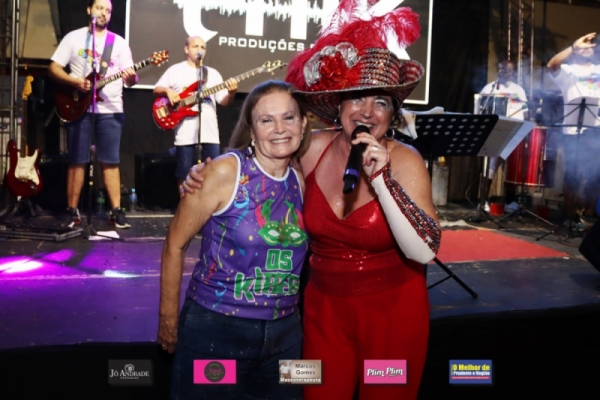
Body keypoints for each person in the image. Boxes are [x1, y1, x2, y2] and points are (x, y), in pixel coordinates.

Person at [184, 3, 441, 399]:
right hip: (322, 316)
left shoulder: (406, 161)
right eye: (356, 98)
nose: (367, 111)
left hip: (392, 319)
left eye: (381, 102)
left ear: (393, 115)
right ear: (338, 106)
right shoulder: (311, 148)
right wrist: (208, 174)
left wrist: (382, 181)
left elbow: (423, 252)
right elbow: (259, 159)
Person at [158, 80, 311, 399]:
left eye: (289, 117)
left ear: (303, 123)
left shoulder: (299, 178)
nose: (280, 128)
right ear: (252, 130)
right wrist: (168, 319)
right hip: (218, 332)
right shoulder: (224, 172)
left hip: (286, 336)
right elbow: (175, 244)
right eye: (266, 120)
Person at [49, 0, 137, 229]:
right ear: (89, 10)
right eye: (100, 8)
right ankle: (72, 211)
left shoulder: (118, 43)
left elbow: (131, 79)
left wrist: (131, 78)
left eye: (108, 10)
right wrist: (74, 82)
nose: (104, 13)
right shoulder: (73, 38)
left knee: (110, 161)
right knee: (77, 160)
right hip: (80, 107)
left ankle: (116, 211)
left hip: (111, 109)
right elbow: (54, 68)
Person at [153, 36, 238, 190]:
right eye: (195, 46)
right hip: (185, 135)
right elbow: (156, 89)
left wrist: (232, 93)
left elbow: (224, 101)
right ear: (186, 49)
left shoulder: (212, 73)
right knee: (184, 175)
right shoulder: (175, 70)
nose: (200, 50)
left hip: (210, 135)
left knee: (213, 175)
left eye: (203, 47)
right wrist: (168, 91)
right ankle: (185, 204)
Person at [547, 32, 600, 226]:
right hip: (573, 130)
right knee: (572, 175)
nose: (587, 48)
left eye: (591, 45)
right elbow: (552, 65)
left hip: (596, 127)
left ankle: (589, 214)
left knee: (596, 173)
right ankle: (570, 216)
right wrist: (574, 47)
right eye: (583, 46)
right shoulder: (568, 71)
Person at [479, 60, 529, 195]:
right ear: (499, 71)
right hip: (497, 132)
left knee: (513, 167)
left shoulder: (519, 90)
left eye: (512, 71)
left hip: (515, 132)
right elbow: (481, 111)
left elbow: (525, 112)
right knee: (490, 166)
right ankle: (483, 200)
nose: (509, 74)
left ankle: (510, 201)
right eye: (506, 71)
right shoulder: (489, 89)